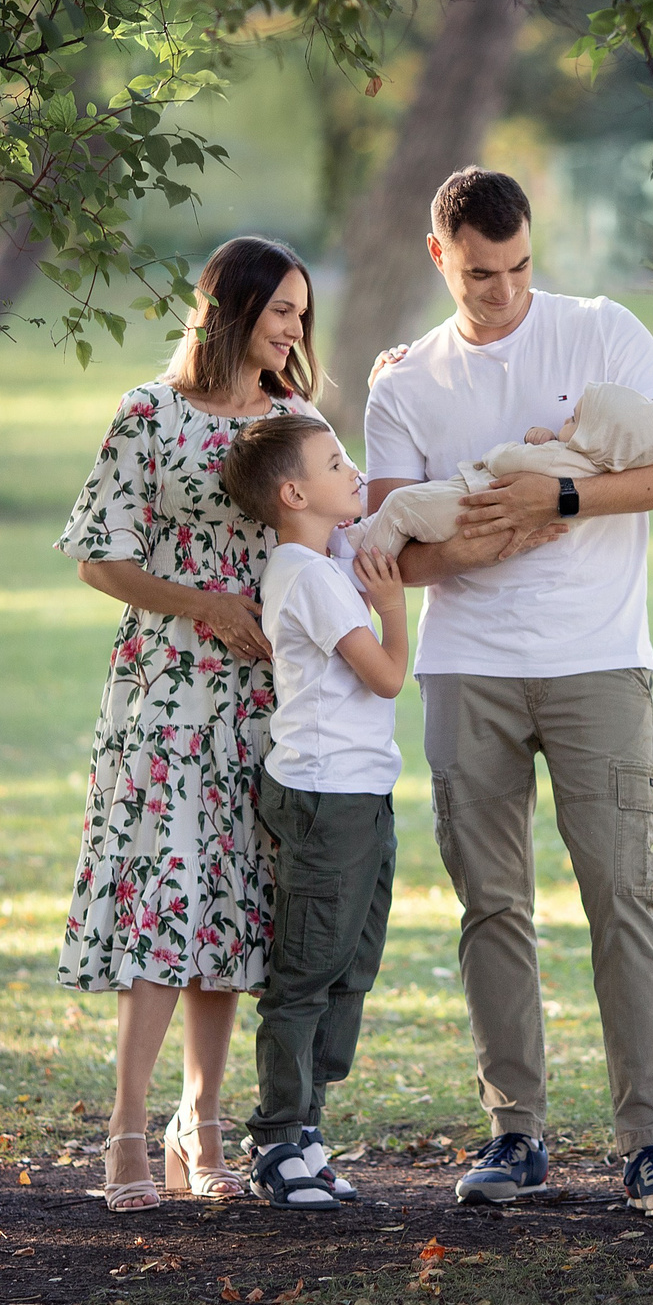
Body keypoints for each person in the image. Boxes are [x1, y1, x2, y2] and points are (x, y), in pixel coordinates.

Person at [364, 166, 653, 1218]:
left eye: (517, 269)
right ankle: (514, 1133)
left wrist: (562, 490)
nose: (503, 292)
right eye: (479, 276)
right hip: (469, 668)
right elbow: (392, 555)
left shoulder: (601, 330)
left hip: (597, 658)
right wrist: (484, 534)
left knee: (621, 896)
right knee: (492, 906)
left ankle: (650, 1144)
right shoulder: (403, 384)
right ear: (441, 258)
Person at [57, 236, 324, 1213]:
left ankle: (199, 1127)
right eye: (280, 309)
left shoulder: (299, 422)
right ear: (228, 308)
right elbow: (99, 559)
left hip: (262, 705)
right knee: (166, 905)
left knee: (228, 915)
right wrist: (202, 605)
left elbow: (337, 535)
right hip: (166, 695)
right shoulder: (147, 415)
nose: (294, 328)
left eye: (303, 312)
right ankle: (125, 1132)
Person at [219, 414, 407, 1210]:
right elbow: (389, 676)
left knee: (350, 964)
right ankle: (276, 1137)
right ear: (296, 493)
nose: (354, 468)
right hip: (326, 794)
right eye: (337, 462)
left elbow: (367, 519)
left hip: (361, 790)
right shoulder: (310, 578)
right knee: (309, 968)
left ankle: (308, 1130)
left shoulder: (322, 556)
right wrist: (395, 606)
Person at [350, 381, 653, 556]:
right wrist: (554, 439)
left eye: (575, 419)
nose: (566, 419)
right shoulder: (588, 468)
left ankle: (364, 569)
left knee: (398, 506)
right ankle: (353, 539)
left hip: (468, 502)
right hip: (477, 511)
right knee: (400, 516)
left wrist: (515, 448)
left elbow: (507, 461)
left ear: (592, 439)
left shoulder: (559, 459)